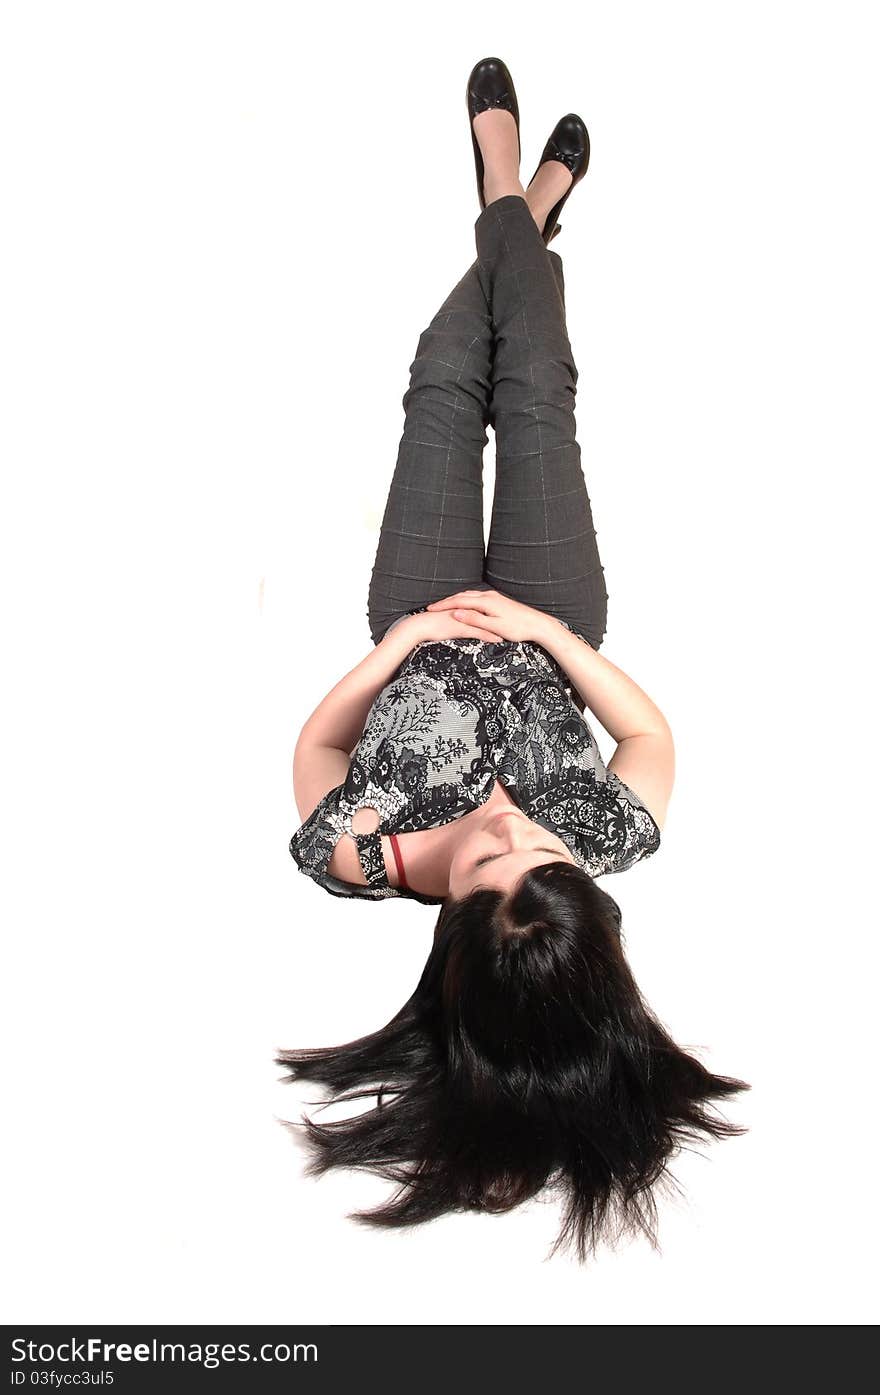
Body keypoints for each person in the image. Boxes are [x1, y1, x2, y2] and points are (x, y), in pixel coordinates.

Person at [278, 59, 749, 1261]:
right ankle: (516, 203)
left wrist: (396, 647)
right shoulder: (605, 842)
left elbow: (319, 745)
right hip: (551, 605)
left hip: (419, 604)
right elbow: (650, 738)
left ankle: (517, 205)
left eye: (490, 862)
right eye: (542, 850)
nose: (510, 830)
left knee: (445, 371)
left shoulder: (357, 853)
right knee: (532, 380)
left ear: (453, 945)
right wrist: (546, 636)